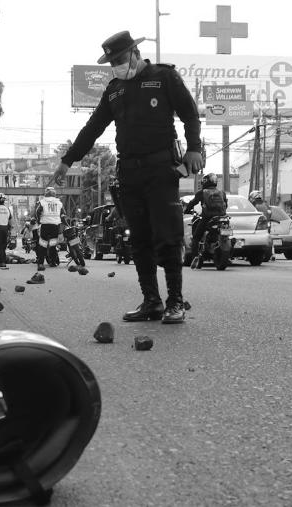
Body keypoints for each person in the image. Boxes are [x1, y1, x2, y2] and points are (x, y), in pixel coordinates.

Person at [53, 30, 203, 324]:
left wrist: (194, 149)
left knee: (168, 237)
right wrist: (67, 161)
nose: (117, 66)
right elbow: (92, 128)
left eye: (120, 60)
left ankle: (175, 302)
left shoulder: (164, 77)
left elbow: (190, 113)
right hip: (130, 174)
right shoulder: (114, 90)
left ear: (135, 53)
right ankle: (151, 301)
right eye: (112, 63)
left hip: (161, 170)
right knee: (140, 239)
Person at [183, 173, 229, 256]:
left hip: (207, 218)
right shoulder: (222, 192)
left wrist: (186, 210)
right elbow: (226, 205)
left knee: (196, 237)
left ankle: (195, 257)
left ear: (205, 182)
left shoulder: (202, 193)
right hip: (222, 218)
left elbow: (192, 203)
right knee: (226, 232)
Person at [34, 186, 66, 271]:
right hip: (55, 225)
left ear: (46, 193)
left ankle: (40, 263)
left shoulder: (42, 201)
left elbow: (37, 212)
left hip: (45, 225)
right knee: (53, 244)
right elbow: (63, 214)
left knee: (43, 244)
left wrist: (39, 221)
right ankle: (52, 262)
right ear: (54, 193)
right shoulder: (59, 202)